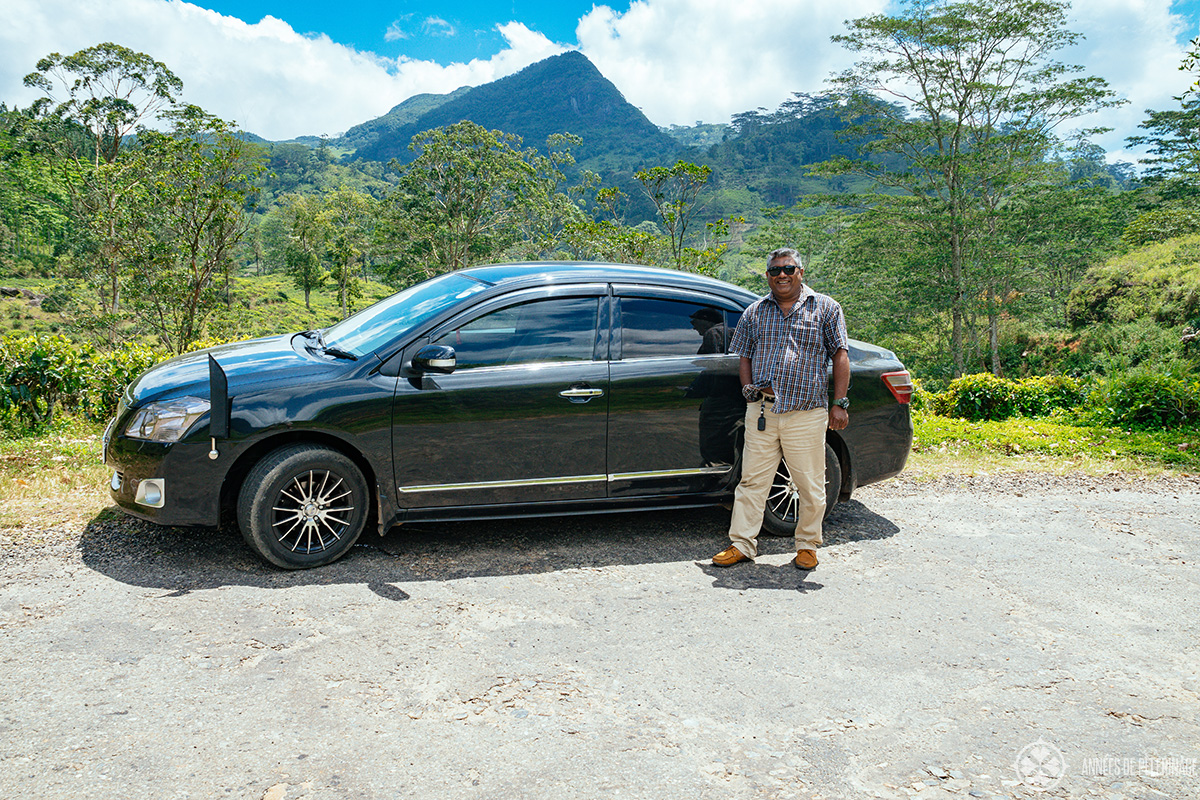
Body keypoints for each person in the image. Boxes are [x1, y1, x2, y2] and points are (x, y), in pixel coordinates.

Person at [712, 247, 849, 571]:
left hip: (805, 412)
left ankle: (807, 546)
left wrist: (840, 404)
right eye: (775, 271)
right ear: (768, 276)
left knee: (810, 485)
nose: (782, 275)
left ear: (801, 271)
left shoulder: (826, 308)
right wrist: (748, 390)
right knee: (752, 482)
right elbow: (743, 354)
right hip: (762, 412)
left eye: (788, 269)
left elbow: (840, 356)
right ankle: (742, 544)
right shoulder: (755, 312)